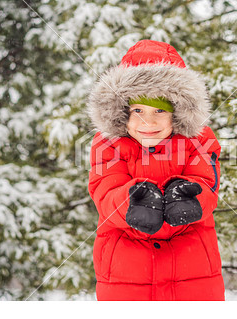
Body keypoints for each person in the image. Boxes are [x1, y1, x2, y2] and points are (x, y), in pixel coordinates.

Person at [87, 39, 225, 301]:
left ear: (177, 112)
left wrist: (190, 197)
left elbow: (208, 182)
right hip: (127, 276)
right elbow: (105, 190)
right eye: (137, 109)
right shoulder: (107, 144)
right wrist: (129, 201)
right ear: (122, 112)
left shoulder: (199, 139)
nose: (147, 122)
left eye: (159, 110)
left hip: (193, 273)